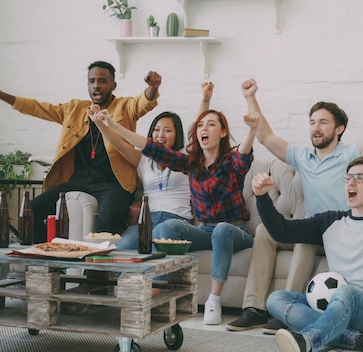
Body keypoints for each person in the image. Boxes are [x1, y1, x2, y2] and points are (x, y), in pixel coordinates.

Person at [226, 73, 363, 333]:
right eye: (313, 122)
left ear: (339, 129)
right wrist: (250, 98)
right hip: (313, 226)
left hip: (338, 232)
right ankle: (254, 309)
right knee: (264, 231)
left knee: (305, 240)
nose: (316, 128)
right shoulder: (302, 157)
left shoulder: (351, 154)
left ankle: (287, 315)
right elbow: (266, 137)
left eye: (323, 122)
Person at [89, 81, 259, 325]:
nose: (204, 128)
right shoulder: (191, 163)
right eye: (201, 125)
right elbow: (148, 147)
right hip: (204, 230)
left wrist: (252, 129)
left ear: (222, 133)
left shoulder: (231, 162)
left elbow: (243, 155)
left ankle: (213, 300)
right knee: (163, 231)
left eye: (212, 125)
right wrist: (112, 124)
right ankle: (148, 290)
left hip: (236, 229)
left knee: (220, 229)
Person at [0, 61, 161, 242]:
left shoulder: (124, 107)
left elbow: (142, 103)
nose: (96, 86)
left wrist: (152, 88)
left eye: (102, 81)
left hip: (114, 184)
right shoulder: (75, 109)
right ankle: (47, 258)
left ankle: (95, 270)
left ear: (113, 85)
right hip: (79, 181)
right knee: (31, 210)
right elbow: (39, 108)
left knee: (106, 225)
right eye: (92, 81)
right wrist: (3, 96)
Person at [252, 156, 363, 352]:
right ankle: (356, 340)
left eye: (360, 178)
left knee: (346, 292)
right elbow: (282, 232)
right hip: (335, 305)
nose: (351, 183)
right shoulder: (330, 222)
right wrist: (261, 197)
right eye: (348, 178)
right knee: (276, 299)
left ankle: (308, 340)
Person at [91, 110, 193, 249]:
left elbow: (198, 133)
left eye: (167, 130)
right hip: (147, 220)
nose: (161, 135)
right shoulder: (144, 160)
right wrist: (100, 123)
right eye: (156, 130)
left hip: (177, 219)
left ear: (177, 134)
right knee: (122, 248)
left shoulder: (186, 158)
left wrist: (205, 99)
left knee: (157, 250)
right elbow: (118, 144)